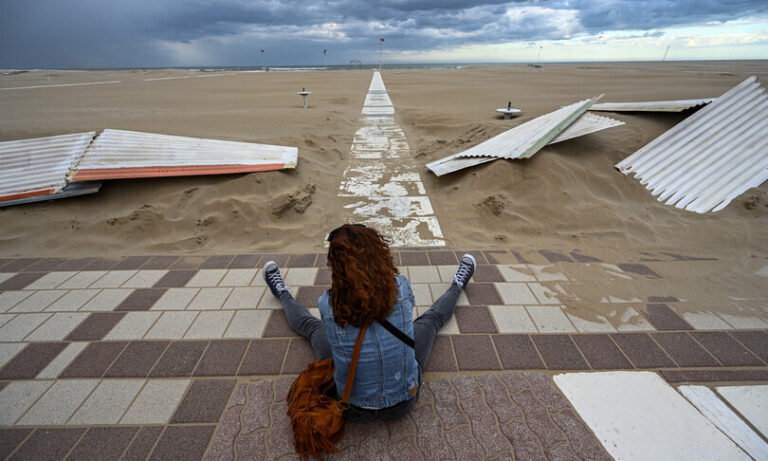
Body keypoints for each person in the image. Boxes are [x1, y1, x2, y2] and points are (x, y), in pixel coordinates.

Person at [262, 223, 475, 421]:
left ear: (335, 265)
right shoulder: (401, 287)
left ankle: (282, 293)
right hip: (403, 402)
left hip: (351, 406)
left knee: (312, 328)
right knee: (431, 320)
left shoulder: (328, 303)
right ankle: (458, 284)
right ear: (378, 253)